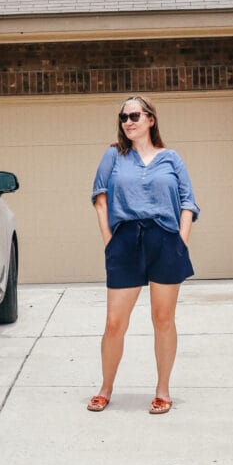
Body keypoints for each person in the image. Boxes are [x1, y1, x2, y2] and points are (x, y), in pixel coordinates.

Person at [87, 95, 199, 415]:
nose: (128, 122)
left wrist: (181, 241)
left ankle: (162, 390)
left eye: (135, 115)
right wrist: (110, 240)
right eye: (123, 117)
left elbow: (188, 202)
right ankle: (106, 388)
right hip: (124, 241)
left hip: (164, 240)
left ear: (151, 119)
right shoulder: (114, 156)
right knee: (114, 323)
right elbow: (100, 198)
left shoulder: (171, 158)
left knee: (162, 319)